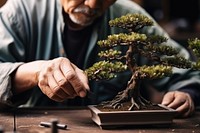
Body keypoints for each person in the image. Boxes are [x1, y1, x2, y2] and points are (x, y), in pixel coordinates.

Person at [0, 0, 199, 118]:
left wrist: (187, 93)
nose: (92, 4)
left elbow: (190, 71)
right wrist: (35, 72)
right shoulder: (20, 12)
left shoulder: (131, 18)